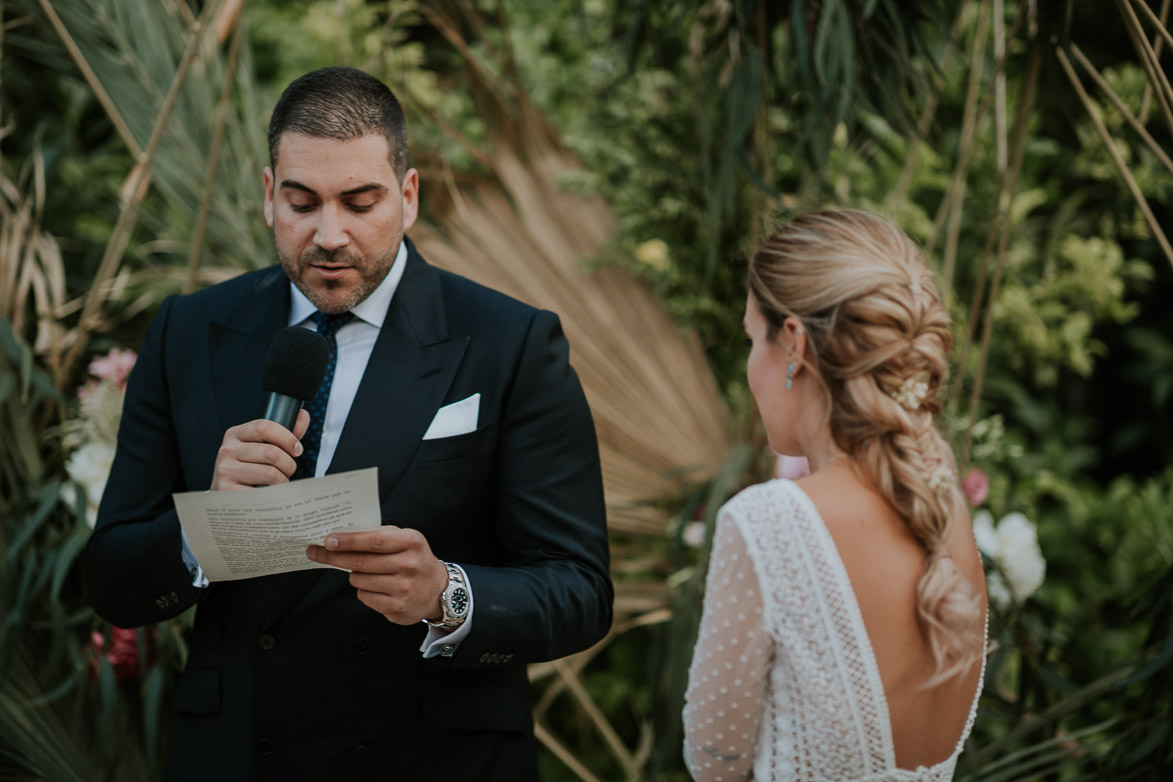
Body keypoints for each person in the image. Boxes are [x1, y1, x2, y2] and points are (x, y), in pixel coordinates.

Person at [85, 66, 613, 782]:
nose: (329, 235)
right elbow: (111, 580)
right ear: (269, 197)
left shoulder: (507, 342)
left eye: (359, 202)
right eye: (302, 202)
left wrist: (445, 594)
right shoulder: (189, 331)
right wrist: (203, 528)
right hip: (240, 756)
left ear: (408, 195)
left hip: (430, 760)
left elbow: (579, 591)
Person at [683, 209, 988, 781]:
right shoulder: (944, 511)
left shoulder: (771, 523)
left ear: (794, 343)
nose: (752, 365)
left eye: (753, 338)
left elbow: (716, 763)